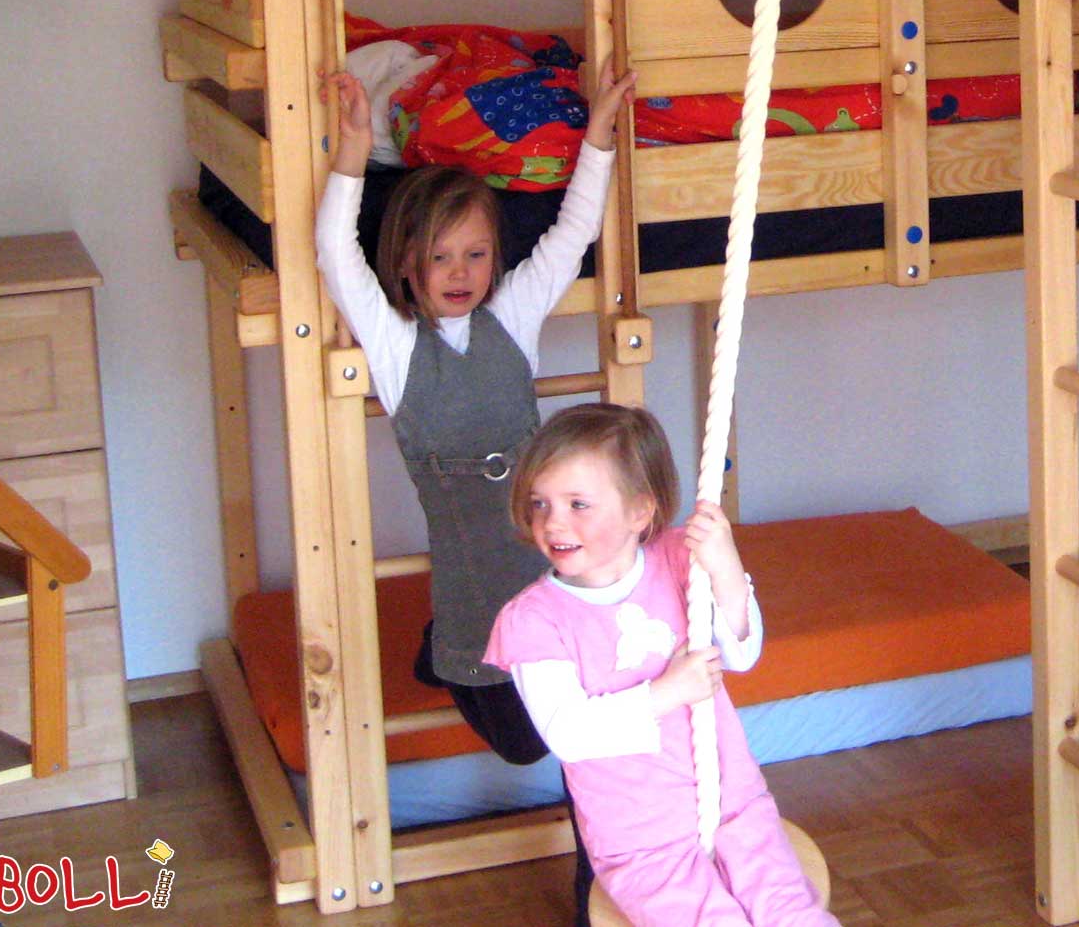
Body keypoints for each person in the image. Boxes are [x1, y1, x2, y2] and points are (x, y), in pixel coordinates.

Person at [317, 59, 636, 923]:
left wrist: (598, 136)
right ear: (410, 268)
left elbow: (571, 233)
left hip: (548, 584)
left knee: (575, 756)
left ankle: (595, 894)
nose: (461, 271)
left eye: (477, 253)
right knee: (521, 745)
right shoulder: (393, 346)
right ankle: (437, 652)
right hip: (471, 597)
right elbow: (336, 258)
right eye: (440, 257)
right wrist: (350, 154)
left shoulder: (513, 319)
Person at [488, 404, 839, 927]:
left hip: (736, 806)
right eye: (540, 503)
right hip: (641, 841)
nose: (552, 521)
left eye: (578, 503)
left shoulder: (680, 560)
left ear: (640, 512)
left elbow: (741, 654)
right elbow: (569, 736)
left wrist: (726, 567)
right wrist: (669, 692)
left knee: (794, 916)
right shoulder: (533, 621)